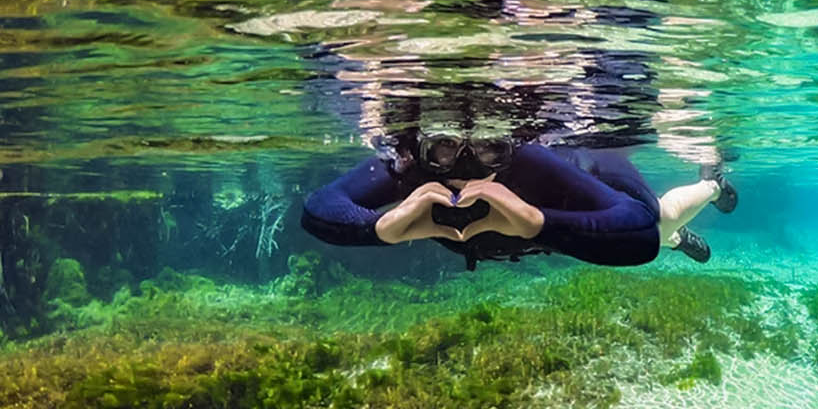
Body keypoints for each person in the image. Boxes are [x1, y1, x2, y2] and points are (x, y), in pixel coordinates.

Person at [300, 130, 736, 270]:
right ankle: (676, 240)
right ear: (425, 147)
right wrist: (377, 228)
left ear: (509, 144)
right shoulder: (410, 163)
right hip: (568, 228)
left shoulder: (533, 161)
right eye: (444, 148)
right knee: (654, 234)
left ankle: (711, 186)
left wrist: (536, 222)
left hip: (587, 179)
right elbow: (319, 209)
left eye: (490, 147)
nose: (465, 165)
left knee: (658, 224)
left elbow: (636, 229)